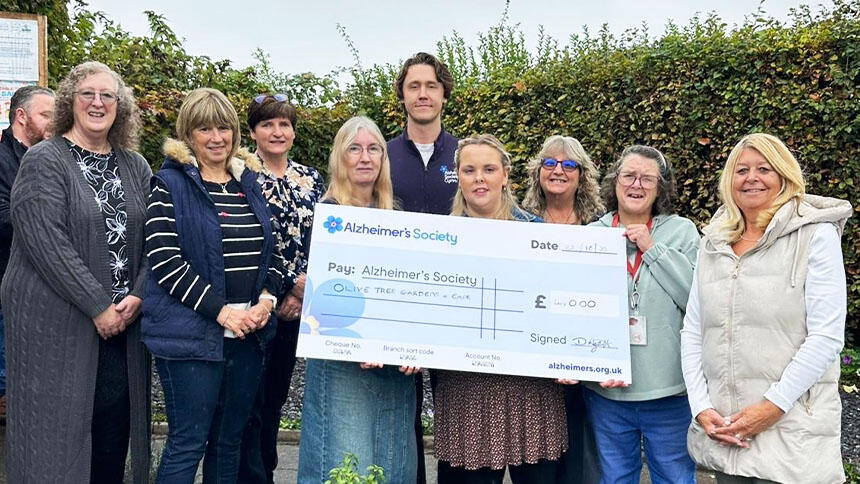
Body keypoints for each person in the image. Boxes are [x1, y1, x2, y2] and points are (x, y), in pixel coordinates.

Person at [1, 61, 151, 483]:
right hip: (58, 325)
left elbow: (155, 236)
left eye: (108, 95)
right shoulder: (44, 160)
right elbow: (45, 241)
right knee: (56, 440)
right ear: (70, 101)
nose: (98, 103)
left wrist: (137, 294)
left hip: (123, 325)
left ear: (121, 107)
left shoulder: (135, 165)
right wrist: (98, 305)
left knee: (112, 430)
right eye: (88, 93)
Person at [681, 133, 851, 484]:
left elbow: (825, 337)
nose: (751, 177)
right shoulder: (713, 243)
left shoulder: (815, 236)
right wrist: (700, 406)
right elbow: (693, 330)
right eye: (741, 170)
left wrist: (771, 408)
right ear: (729, 181)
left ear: (784, 176)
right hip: (729, 431)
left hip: (793, 433)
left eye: (764, 169)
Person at [142, 87, 284, 483]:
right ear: (188, 134)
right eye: (205, 128)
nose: (217, 137)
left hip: (248, 335)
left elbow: (269, 254)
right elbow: (164, 261)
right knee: (188, 443)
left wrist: (266, 301)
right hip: (191, 338)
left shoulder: (247, 183)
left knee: (228, 443)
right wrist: (222, 312)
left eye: (224, 127)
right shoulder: (167, 185)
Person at [435, 134, 566, 483]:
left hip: (531, 390)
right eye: (470, 170)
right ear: (458, 176)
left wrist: (572, 352)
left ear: (505, 175)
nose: (479, 178)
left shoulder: (538, 233)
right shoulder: (438, 238)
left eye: (489, 169)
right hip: (467, 390)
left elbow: (557, 305)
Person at [297, 116, 420, 484]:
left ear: (384, 158)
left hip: (393, 369)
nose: (365, 157)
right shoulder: (324, 216)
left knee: (393, 464)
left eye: (373, 149)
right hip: (341, 365)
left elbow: (411, 295)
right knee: (344, 465)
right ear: (340, 157)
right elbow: (316, 295)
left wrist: (414, 347)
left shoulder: (399, 219)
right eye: (355, 148)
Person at [585, 145, 699, 484]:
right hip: (608, 393)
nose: (637, 184)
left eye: (647, 178)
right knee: (615, 477)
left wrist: (652, 248)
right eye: (629, 175)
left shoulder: (682, 232)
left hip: (668, 392)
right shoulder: (591, 236)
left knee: (675, 477)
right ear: (614, 182)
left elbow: (695, 298)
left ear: (661, 187)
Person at [238, 94, 324, 484]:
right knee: (247, 405)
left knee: (274, 400)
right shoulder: (240, 176)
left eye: (284, 124)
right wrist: (285, 286)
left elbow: (321, 236)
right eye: (268, 124)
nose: (277, 132)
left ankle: (268, 473)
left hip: (297, 309)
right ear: (253, 131)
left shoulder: (311, 178)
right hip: (254, 303)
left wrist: (301, 291)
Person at [387, 51, 459, 484]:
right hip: (400, 301)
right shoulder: (382, 153)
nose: (423, 94)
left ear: (444, 94)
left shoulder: (464, 152)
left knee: (453, 409)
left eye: (431, 85)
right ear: (402, 95)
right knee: (402, 410)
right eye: (413, 86)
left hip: (454, 300)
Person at [521, 134, 603, 484]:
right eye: (550, 163)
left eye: (568, 164)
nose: (558, 170)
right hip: (533, 359)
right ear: (537, 172)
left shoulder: (600, 225)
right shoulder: (518, 222)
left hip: (584, 359)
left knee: (580, 460)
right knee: (538, 465)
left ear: (581, 174)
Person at [0, 85, 55, 413]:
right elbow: (4, 217)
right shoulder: (4, 160)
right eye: (46, 115)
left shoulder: (47, 157)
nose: (53, 122)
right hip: (8, 279)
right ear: (21, 116)